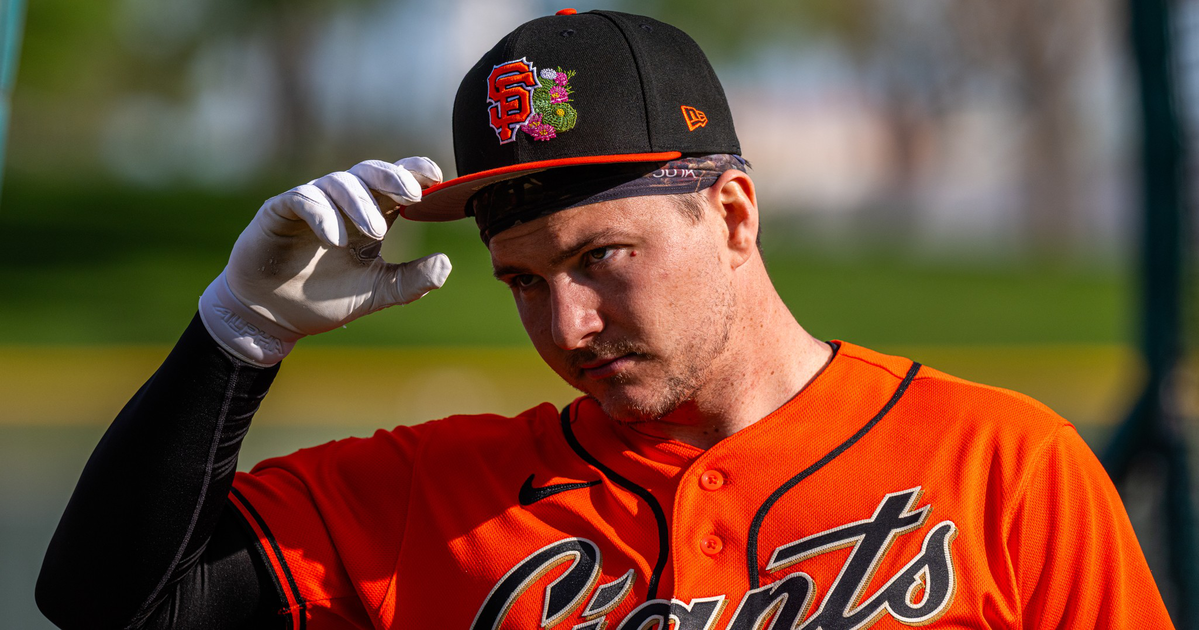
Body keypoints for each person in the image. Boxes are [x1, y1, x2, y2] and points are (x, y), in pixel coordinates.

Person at [37, 8, 1172, 630]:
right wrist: (238, 331)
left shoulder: (1004, 468)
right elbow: (110, 605)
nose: (567, 324)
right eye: (522, 279)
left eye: (603, 257)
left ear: (731, 210)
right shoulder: (431, 501)